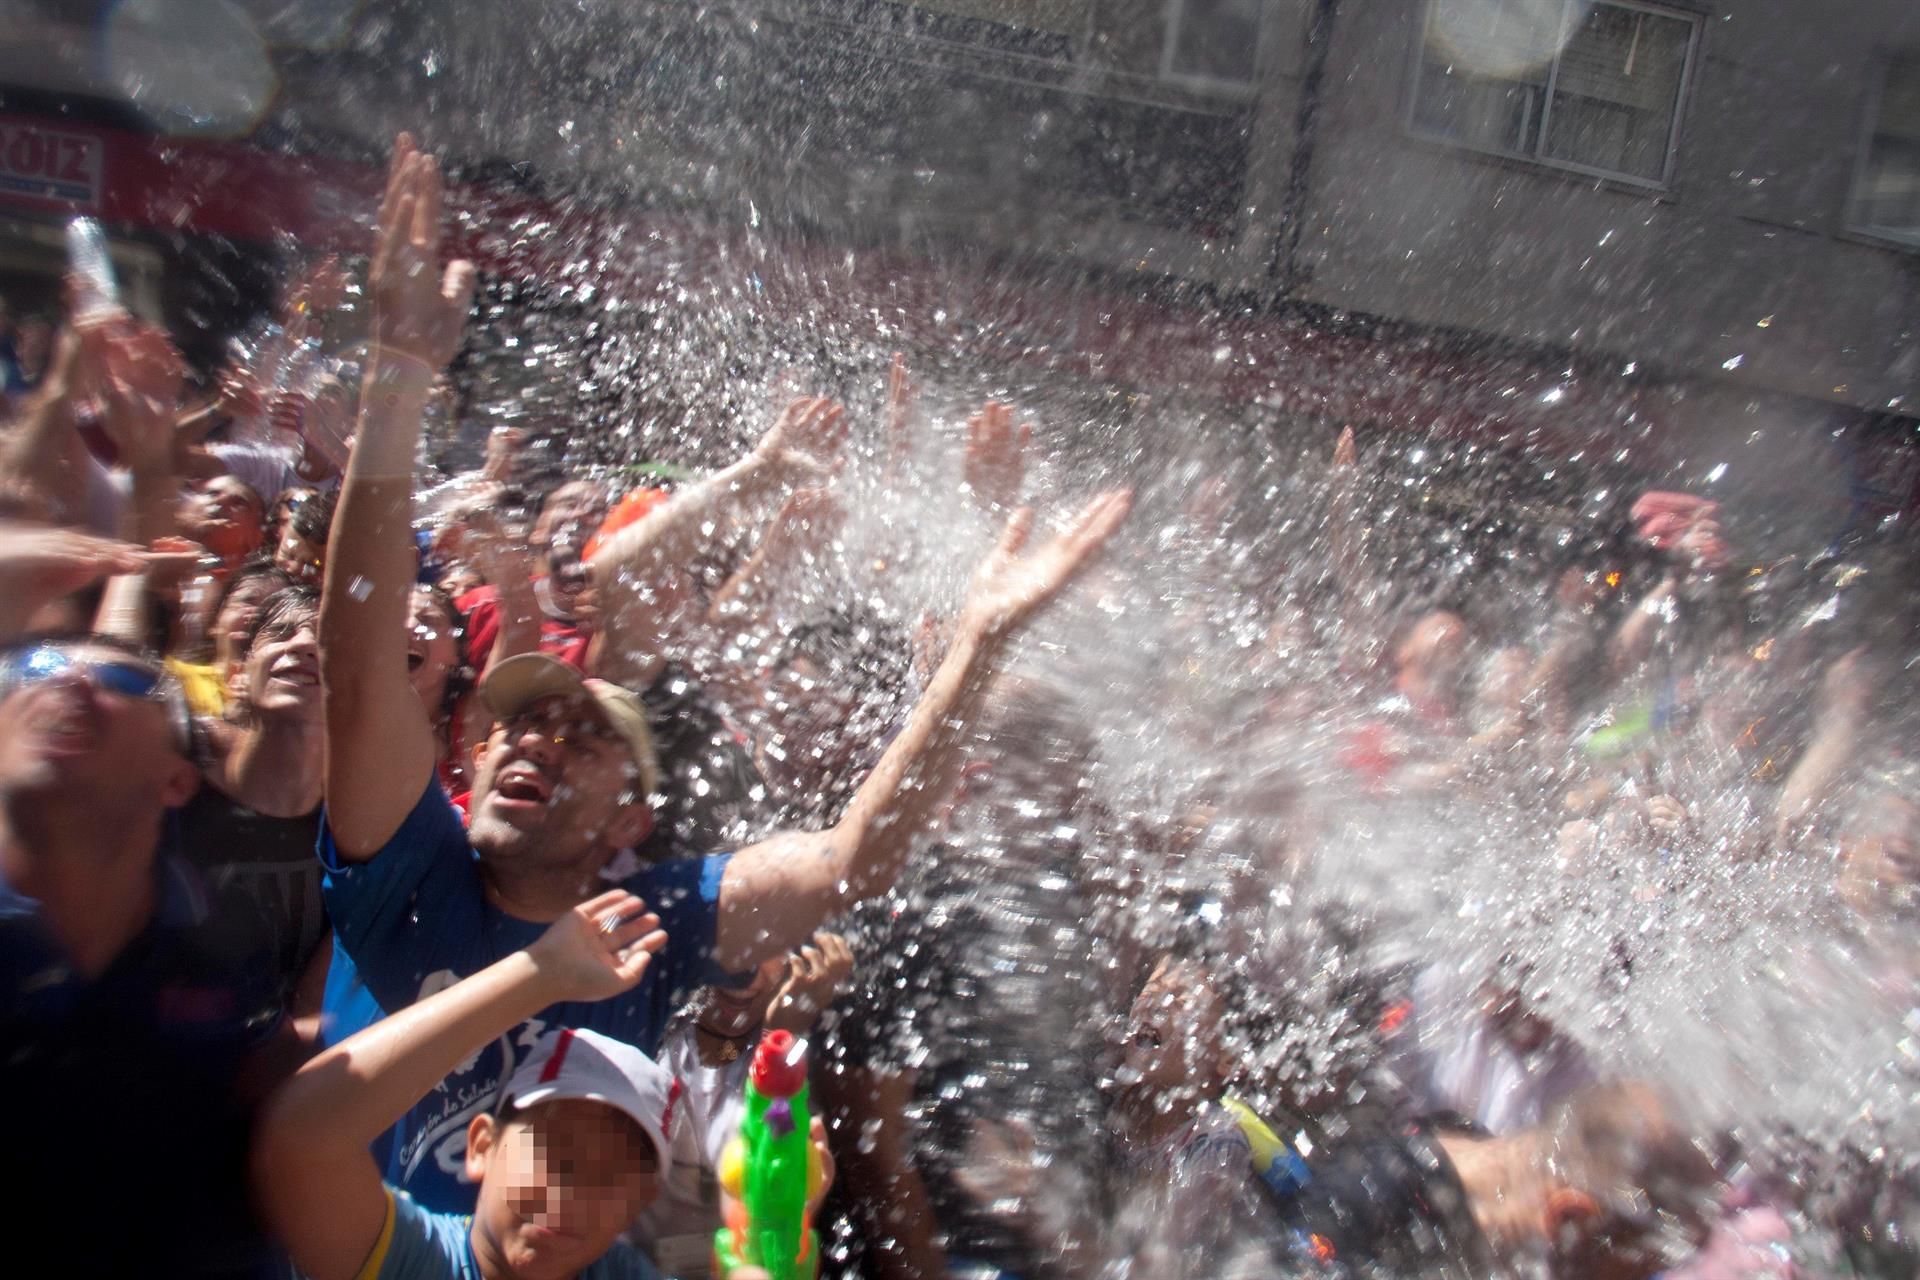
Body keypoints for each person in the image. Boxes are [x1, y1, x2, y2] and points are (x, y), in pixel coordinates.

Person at [317, 134, 1129, 1212]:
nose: (538, 740)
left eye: (586, 734)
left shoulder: (653, 922)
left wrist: (978, 649)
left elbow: (855, 855)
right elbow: (361, 666)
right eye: (518, 724)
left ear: (632, 810)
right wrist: (398, 378)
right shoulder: (404, 872)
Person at [0, 629, 283, 1276]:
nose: (66, 681)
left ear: (178, 781)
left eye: (121, 682)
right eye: (36, 666)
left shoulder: (220, 954)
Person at [255, 889, 679, 1280]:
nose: (569, 1198)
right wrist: (542, 973)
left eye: (606, 1181)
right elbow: (303, 1133)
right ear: (481, 1147)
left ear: (634, 1209)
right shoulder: (418, 1261)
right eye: (557, 1160)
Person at [640, 931, 855, 1277]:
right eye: (728, 940)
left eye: (768, 946)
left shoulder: (804, 1044)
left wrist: (781, 1038)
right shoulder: (654, 1034)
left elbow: (762, 1180)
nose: (743, 970)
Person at [174, 584, 331, 1012]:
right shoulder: (175, 767)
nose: (303, 645)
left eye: (326, 638)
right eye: (280, 634)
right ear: (237, 675)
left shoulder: (360, 822)